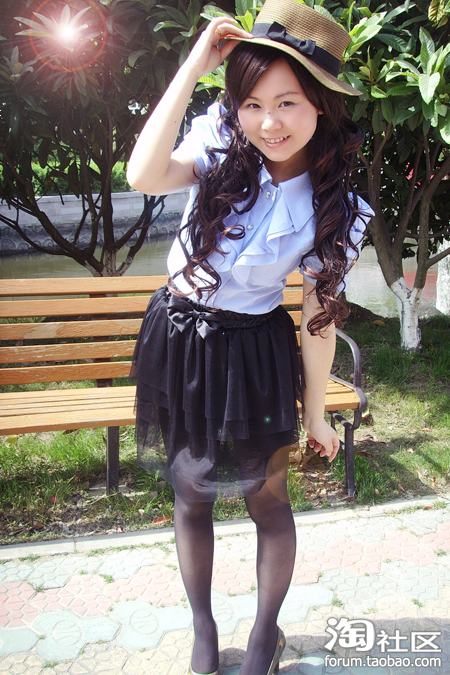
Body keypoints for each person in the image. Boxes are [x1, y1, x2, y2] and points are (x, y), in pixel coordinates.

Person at [127, 0, 373, 673]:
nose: (269, 122)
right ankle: (203, 632)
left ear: (321, 105)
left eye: (289, 102)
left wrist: (316, 412)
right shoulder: (218, 147)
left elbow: (318, 317)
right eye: (253, 103)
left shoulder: (335, 202)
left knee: (267, 497)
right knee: (189, 492)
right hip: (180, 337)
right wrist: (194, 66)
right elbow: (143, 176)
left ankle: (265, 635)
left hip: (255, 351)